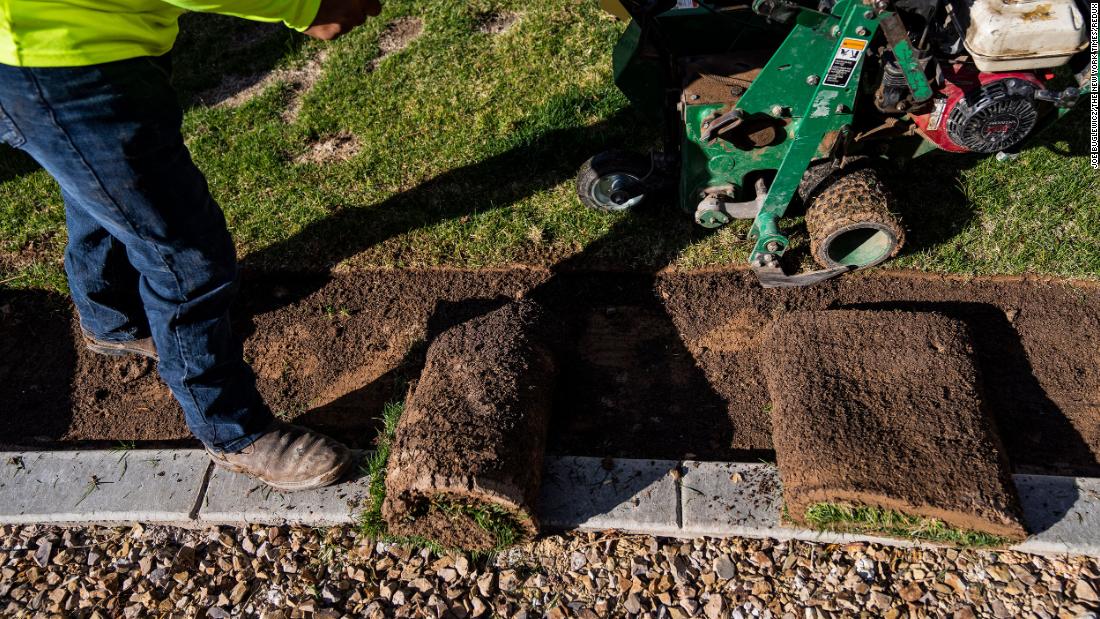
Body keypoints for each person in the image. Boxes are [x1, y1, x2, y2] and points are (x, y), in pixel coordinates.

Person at [0, 0, 381, 490]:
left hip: (66, 47)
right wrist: (304, 4)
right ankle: (233, 430)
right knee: (187, 258)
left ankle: (111, 321)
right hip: (60, 63)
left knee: (102, 195)